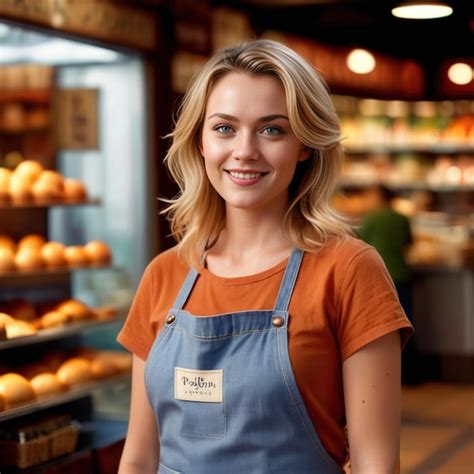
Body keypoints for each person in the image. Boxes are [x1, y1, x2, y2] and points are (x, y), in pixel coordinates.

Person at [117, 39, 413, 474]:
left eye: (272, 129)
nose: (245, 151)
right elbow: (141, 458)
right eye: (224, 128)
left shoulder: (349, 270)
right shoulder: (165, 273)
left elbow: (376, 465)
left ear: (306, 144)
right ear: (199, 140)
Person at [358, 185, 420, 385]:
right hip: (401, 274)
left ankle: (389, 377)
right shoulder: (401, 218)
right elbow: (408, 243)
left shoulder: (372, 219)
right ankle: (411, 375)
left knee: (383, 328)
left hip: (377, 277)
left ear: (378, 196)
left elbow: (359, 244)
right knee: (405, 323)